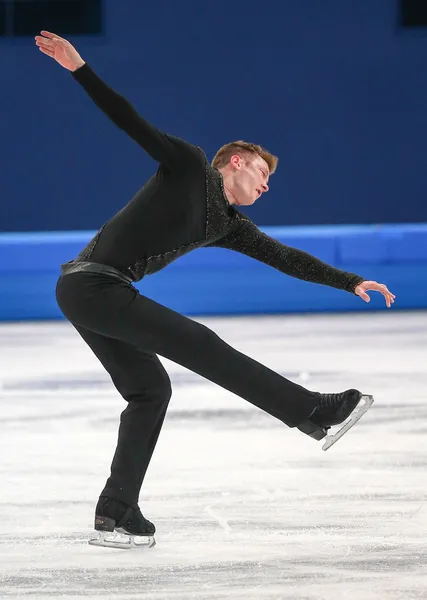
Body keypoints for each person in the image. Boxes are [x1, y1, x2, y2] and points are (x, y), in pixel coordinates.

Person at [35, 31, 395, 549]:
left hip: (91, 293)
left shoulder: (228, 224)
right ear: (237, 160)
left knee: (150, 391)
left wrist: (350, 280)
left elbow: (285, 257)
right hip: (92, 286)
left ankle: (117, 511)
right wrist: (79, 67)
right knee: (200, 344)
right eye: (263, 172)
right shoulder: (187, 165)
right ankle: (312, 412)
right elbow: (128, 119)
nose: (267, 185)